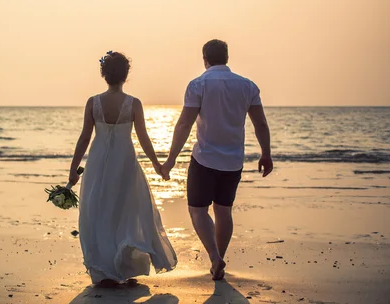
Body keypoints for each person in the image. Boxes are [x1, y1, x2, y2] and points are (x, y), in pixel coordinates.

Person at [161, 39, 273, 280]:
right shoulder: (247, 86)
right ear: (227, 58)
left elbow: (184, 124)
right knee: (224, 211)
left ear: (205, 59)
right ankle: (218, 259)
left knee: (197, 211)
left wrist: (171, 159)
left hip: (204, 159)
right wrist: (266, 153)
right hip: (233, 161)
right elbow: (260, 123)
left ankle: (214, 256)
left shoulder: (198, 84)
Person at [68, 51, 177, 288]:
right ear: (125, 75)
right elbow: (144, 138)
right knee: (125, 211)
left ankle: (103, 269)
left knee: (98, 211)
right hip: (125, 162)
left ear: (104, 74)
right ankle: (125, 267)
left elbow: (84, 138)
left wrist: (73, 169)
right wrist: (157, 164)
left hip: (98, 162)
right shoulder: (133, 103)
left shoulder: (93, 102)